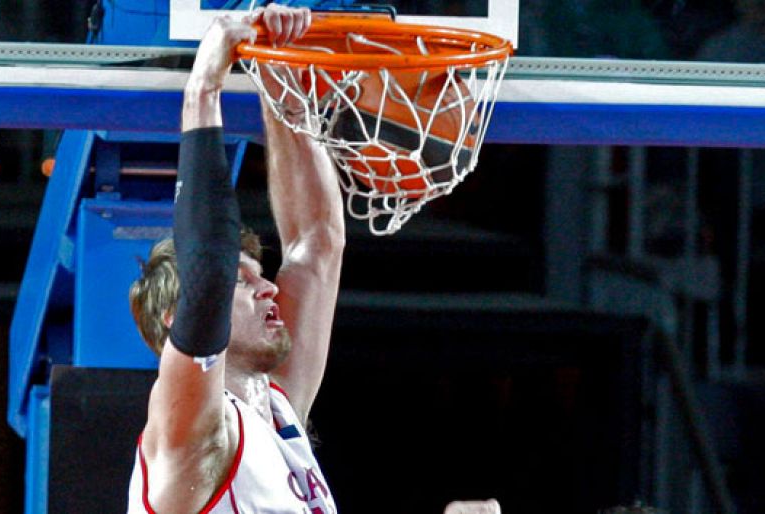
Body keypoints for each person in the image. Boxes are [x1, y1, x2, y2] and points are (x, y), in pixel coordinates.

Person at [126, 4, 501, 513]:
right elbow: (208, 266)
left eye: (259, 277)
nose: (268, 288)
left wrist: (286, 90)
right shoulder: (189, 422)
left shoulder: (277, 409)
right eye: (244, 281)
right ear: (177, 318)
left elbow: (317, 244)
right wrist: (205, 86)